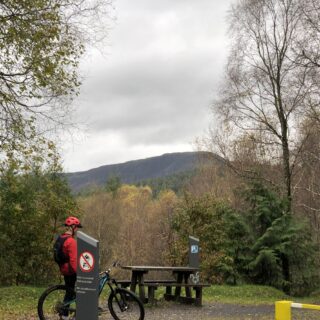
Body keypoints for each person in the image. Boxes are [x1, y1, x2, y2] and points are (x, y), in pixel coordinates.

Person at [58, 216, 82, 319]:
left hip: (63, 268)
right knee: (81, 291)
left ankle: (64, 315)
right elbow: (73, 261)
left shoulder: (61, 238)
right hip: (70, 270)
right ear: (72, 227)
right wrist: (80, 273)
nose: (76, 230)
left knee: (70, 291)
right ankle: (78, 314)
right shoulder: (71, 242)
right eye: (76, 227)